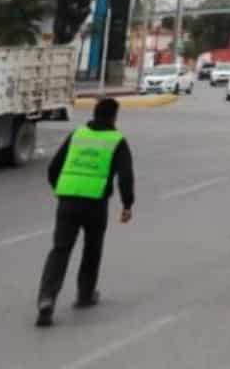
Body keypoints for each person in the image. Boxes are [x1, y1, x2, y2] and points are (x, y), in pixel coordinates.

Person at [36, 96, 134, 327]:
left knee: (60, 250)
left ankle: (47, 299)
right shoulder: (117, 140)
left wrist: (61, 189)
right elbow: (126, 176)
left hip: (68, 200)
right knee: (92, 247)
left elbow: (53, 168)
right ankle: (85, 294)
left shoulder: (77, 135)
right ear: (113, 117)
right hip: (95, 203)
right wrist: (127, 204)